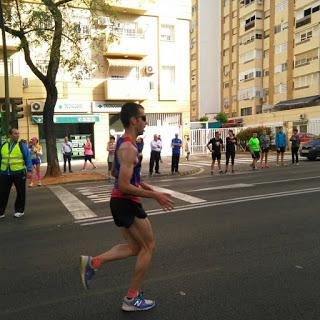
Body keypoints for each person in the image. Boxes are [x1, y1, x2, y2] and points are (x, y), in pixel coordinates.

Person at [80, 102, 173, 312]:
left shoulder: (122, 142)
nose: (145, 123)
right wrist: (155, 195)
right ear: (133, 120)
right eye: (143, 118)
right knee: (149, 247)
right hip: (126, 202)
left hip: (119, 203)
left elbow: (116, 173)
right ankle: (131, 298)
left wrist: (149, 187)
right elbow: (123, 184)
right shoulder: (129, 147)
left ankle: (94, 262)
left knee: (135, 248)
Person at [0, 128, 32, 219]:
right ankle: (1, 212)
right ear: (10, 135)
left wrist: (29, 170)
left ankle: (19, 211)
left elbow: (28, 158)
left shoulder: (22, 145)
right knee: (2, 193)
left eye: (18, 133)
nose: (17, 135)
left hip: (19, 173)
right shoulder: (3, 145)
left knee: (21, 192)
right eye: (15, 133)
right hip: (5, 173)